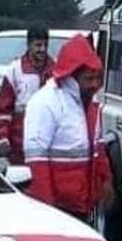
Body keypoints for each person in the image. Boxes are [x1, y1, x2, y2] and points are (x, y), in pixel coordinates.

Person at [22, 35, 113, 222]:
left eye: (98, 78)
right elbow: (36, 162)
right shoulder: (45, 102)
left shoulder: (89, 101)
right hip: (59, 207)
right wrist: (47, 209)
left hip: (85, 202)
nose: (95, 85)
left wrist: (106, 181)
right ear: (71, 76)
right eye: (89, 78)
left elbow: (98, 147)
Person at [0, 25, 54, 164]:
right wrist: (3, 136)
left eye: (45, 45)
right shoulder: (14, 71)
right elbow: (3, 110)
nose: (43, 49)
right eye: (38, 45)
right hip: (19, 144)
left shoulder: (56, 71)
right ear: (29, 45)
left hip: (48, 140)